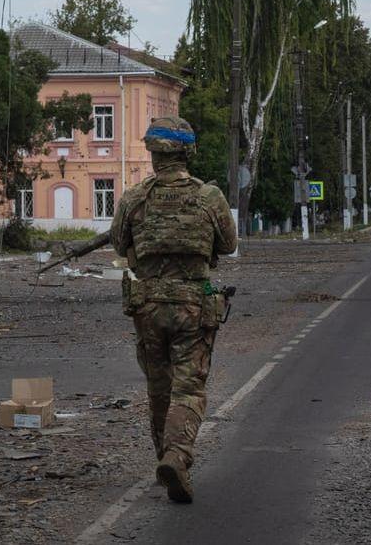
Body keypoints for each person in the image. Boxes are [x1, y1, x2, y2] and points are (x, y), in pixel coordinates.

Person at [111, 116, 238, 504]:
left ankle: (163, 459)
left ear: (152, 154)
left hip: (147, 306)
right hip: (192, 306)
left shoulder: (134, 198)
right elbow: (229, 244)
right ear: (188, 152)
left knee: (159, 388)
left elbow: (119, 244)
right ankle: (177, 456)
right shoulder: (209, 196)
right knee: (189, 387)